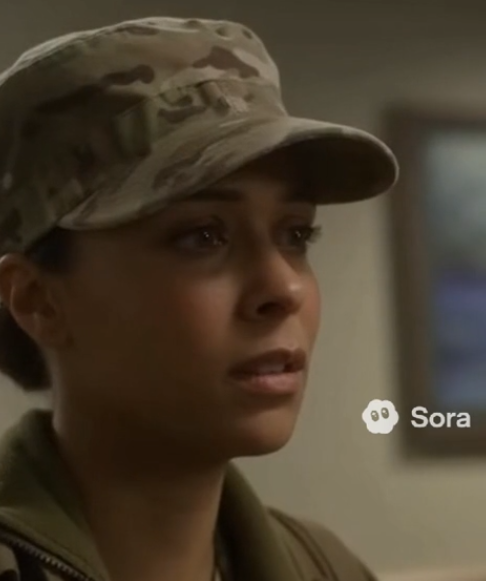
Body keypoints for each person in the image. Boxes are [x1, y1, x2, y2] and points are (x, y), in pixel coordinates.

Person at [0, 15, 398, 581]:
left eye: (296, 233)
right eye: (203, 236)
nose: (283, 288)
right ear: (38, 300)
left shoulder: (325, 568)